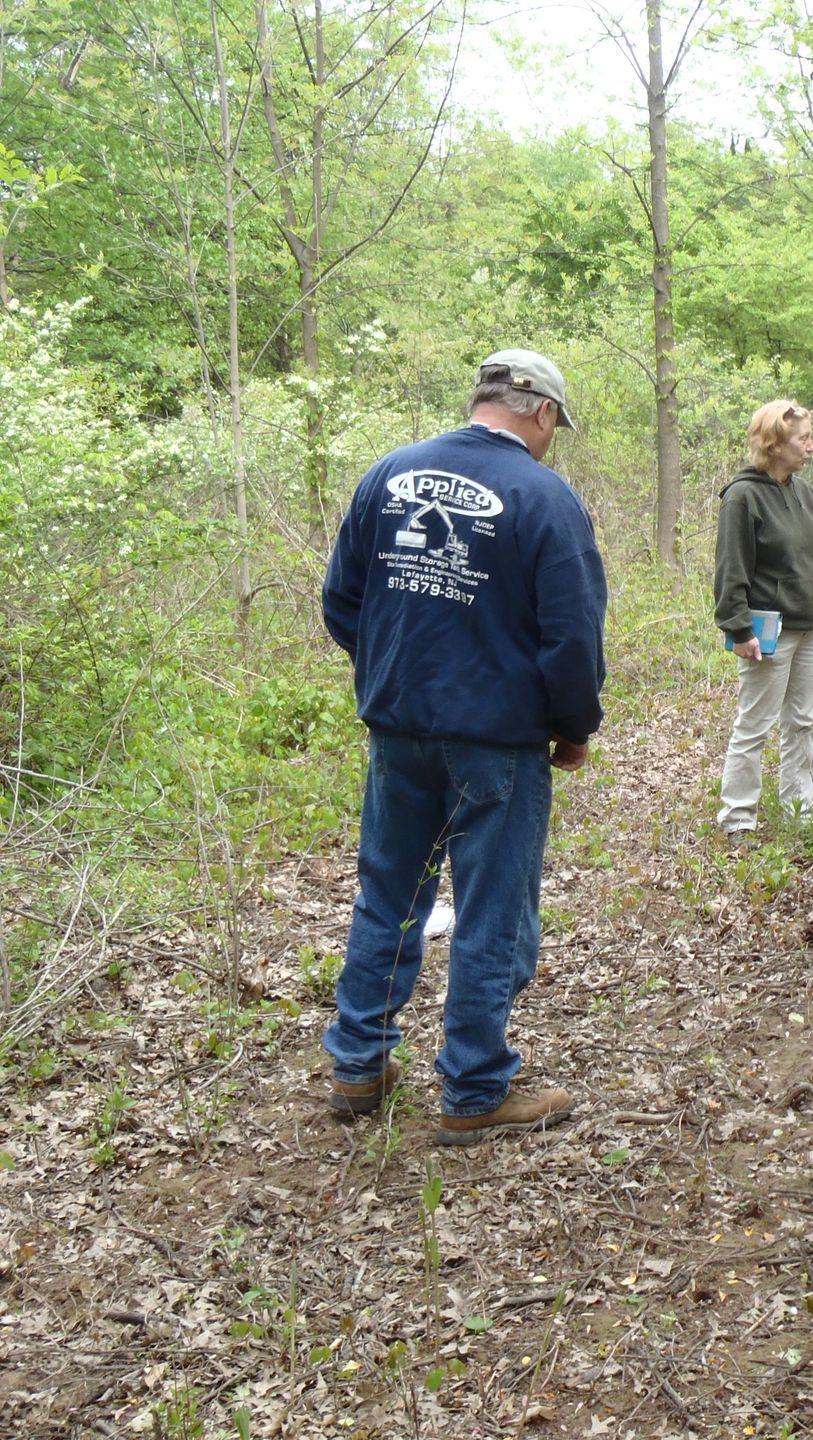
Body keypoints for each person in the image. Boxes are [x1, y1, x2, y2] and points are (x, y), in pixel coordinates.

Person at [320, 348, 607, 1146]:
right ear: (543, 412)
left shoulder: (389, 472)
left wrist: (394, 672)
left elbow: (343, 600)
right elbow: (572, 636)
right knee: (491, 910)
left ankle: (357, 1065)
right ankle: (475, 1090)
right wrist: (573, 723)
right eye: (557, 424)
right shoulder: (546, 498)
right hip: (497, 746)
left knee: (389, 895)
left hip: (398, 731)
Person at [713, 400, 813, 839]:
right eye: (802, 439)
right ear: (773, 444)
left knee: (801, 722)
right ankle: (738, 818)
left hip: (809, 628)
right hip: (768, 632)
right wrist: (737, 628)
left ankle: (800, 810)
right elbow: (731, 570)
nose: (812, 447)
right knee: (754, 725)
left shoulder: (806, 493)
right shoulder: (742, 496)